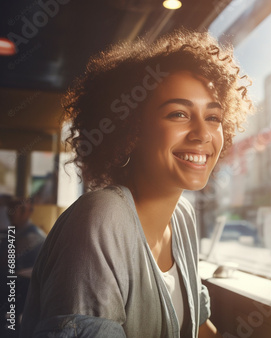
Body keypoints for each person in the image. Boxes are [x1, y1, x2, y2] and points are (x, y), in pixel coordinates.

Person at [20, 29, 252, 338]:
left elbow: (198, 328)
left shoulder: (182, 216)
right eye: (179, 114)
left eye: (213, 118)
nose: (202, 134)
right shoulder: (102, 217)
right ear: (131, 130)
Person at [0, 197, 45, 337]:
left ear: (26, 212)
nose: (10, 214)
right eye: (9, 211)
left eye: (14, 210)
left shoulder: (34, 236)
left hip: (22, 294)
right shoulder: (13, 232)